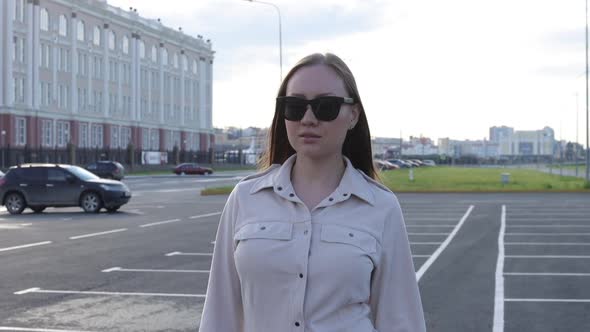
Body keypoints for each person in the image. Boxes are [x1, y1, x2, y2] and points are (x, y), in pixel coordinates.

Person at [199, 53, 426, 332]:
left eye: (325, 106)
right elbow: (220, 314)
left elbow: (400, 319)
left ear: (353, 115)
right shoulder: (245, 198)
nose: (308, 118)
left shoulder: (380, 206)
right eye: (294, 106)